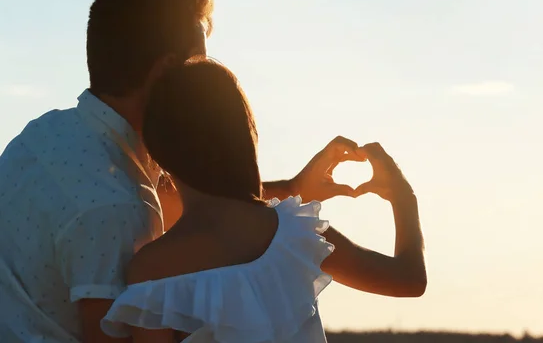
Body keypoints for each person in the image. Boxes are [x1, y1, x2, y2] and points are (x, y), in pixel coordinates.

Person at [0, 0, 377, 343]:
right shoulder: (118, 208)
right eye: (199, 66)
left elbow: (182, 199)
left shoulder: (46, 135)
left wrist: (291, 189)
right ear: (165, 72)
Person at [100, 59, 426, 343]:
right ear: (246, 137)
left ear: (159, 154)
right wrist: (403, 198)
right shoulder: (299, 235)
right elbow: (408, 279)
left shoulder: (151, 270)